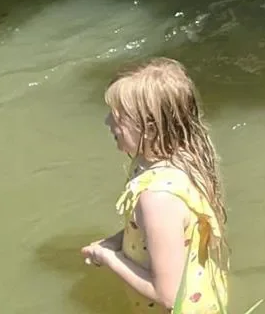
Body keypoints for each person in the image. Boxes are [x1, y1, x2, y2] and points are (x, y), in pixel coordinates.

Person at [82, 58, 229, 314]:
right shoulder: (184, 158)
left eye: (117, 117)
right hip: (203, 290)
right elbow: (162, 233)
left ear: (149, 128)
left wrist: (110, 258)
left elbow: (169, 296)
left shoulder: (157, 199)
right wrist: (115, 241)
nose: (107, 122)